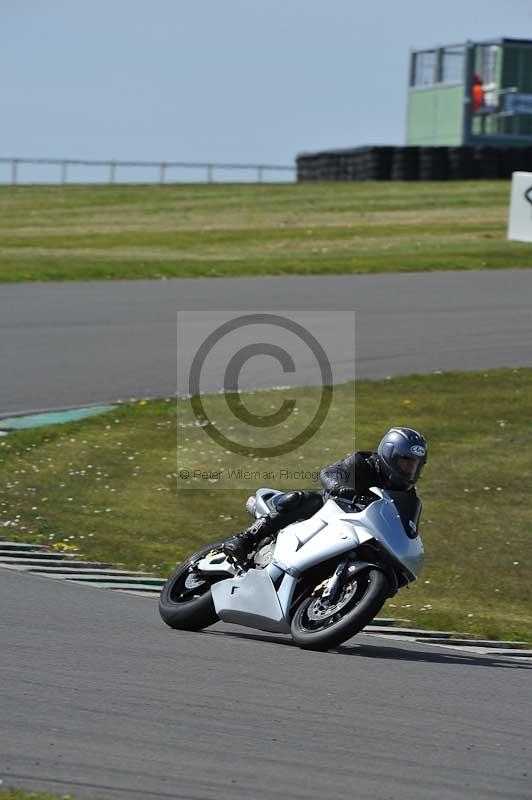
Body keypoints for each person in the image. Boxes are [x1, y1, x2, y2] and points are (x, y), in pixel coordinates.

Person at [223, 426, 428, 563]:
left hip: (358, 531)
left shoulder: (407, 496)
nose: (409, 470)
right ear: (390, 454)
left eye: (415, 466)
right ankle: (245, 540)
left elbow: (406, 530)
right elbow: (329, 474)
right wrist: (341, 489)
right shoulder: (362, 463)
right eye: (405, 462)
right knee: (302, 500)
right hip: (331, 510)